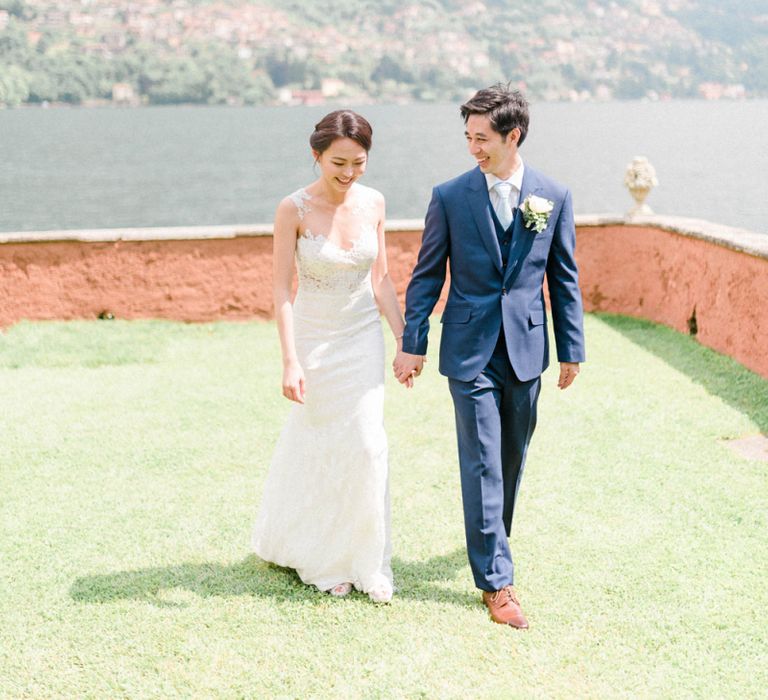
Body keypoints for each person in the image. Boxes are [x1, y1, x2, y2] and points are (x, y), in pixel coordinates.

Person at [393, 84, 585, 628]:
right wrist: (412, 343)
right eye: (468, 137)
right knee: (481, 460)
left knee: (511, 459)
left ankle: (490, 540)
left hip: (526, 350)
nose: (473, 148)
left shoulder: (554, 194)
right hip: (469, 349)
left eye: (482, 139)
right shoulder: (450, 196)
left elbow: (563, 279)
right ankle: (497, 582)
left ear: (512, 136)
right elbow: (427, 274)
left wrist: (571, 349)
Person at [253, 110, 407, 604]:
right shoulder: (291, 209)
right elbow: (280, 289)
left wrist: (406, 341)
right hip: (314, 337)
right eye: (339, 162)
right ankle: (322, 557)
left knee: (366, 444)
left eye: (359, 163)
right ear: (316, 155)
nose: (348, 173)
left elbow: (381, 280)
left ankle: (368, 560)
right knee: (321, 445)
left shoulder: (375, 202)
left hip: (362, 335)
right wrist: (289, 360)